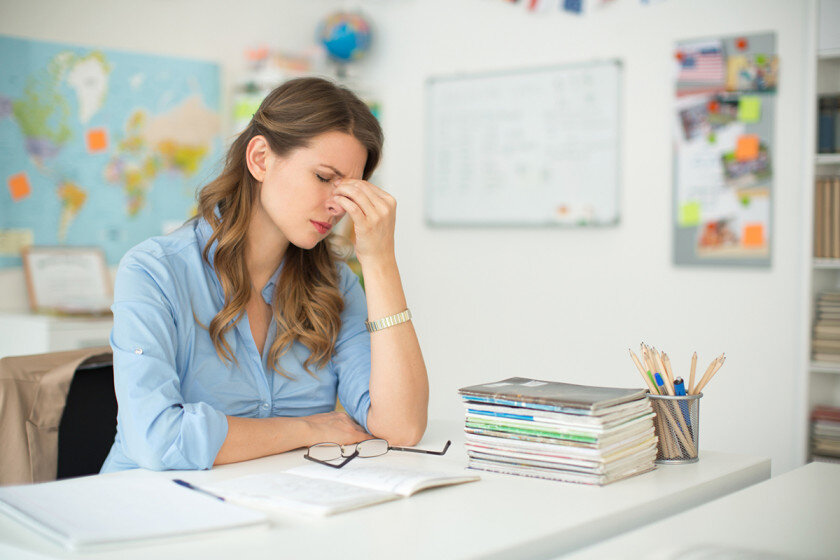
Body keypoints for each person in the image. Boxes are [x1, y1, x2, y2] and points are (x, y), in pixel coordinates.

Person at [100, 77, 428, 472]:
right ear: (260, 159)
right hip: (150, 509)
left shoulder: (336, 283)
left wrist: (380, 261)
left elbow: (401, 427)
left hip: (273, 507)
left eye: (349, 189)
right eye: (324, 178)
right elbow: (158, 439)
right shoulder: (154, 271)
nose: (337, 206)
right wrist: (306, 429)